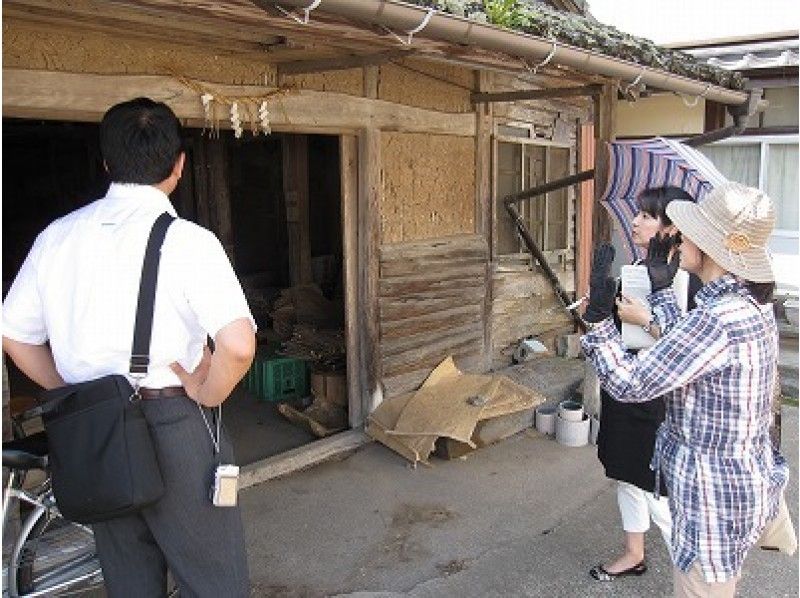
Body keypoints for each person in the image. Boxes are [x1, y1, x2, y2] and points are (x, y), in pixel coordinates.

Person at [2, 98, 256, 598]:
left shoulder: (56, 237)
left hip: (94, 430)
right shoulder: (187, 241)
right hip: (173, 424)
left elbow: (13, 334)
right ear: (179, 166)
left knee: (128, 578)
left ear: (106, 164)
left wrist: (72, 390)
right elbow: (239, 346)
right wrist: (207, 392)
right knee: (213, 579)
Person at [581, 182, 788, 597]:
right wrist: (660, 290)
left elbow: (630, 383)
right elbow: (690, 347)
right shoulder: (745, 305)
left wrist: (599, 322)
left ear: (713, 247)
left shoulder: (717, 318)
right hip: (737, 485)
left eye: (689, 231)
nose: (680, 236)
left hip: (711, 497)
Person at [589, 186, 701, 582]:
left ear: (673, 228)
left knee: (659, 491)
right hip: (623, 386)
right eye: (636, 213)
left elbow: (691, 350)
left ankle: (697, 580)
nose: (635, 221)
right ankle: (633, 553)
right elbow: (615, 331)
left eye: (647, 216)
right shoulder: (638, 266)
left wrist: (646, 318)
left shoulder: (689, 279)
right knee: (626, 474)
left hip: (658, 399)